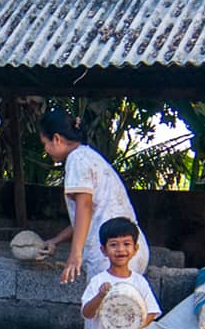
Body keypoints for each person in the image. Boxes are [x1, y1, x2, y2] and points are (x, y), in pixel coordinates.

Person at [38, 109, 149, 286]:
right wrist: (56, 241)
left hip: (111, 252)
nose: (46, 149)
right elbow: (89, 216)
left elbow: (85, 207)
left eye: (45, 143)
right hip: (132, 248)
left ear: (57, 139)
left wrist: (75, 254)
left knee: (103, 311)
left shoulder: (76, 160)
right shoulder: (89, 156)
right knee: (123, 309)